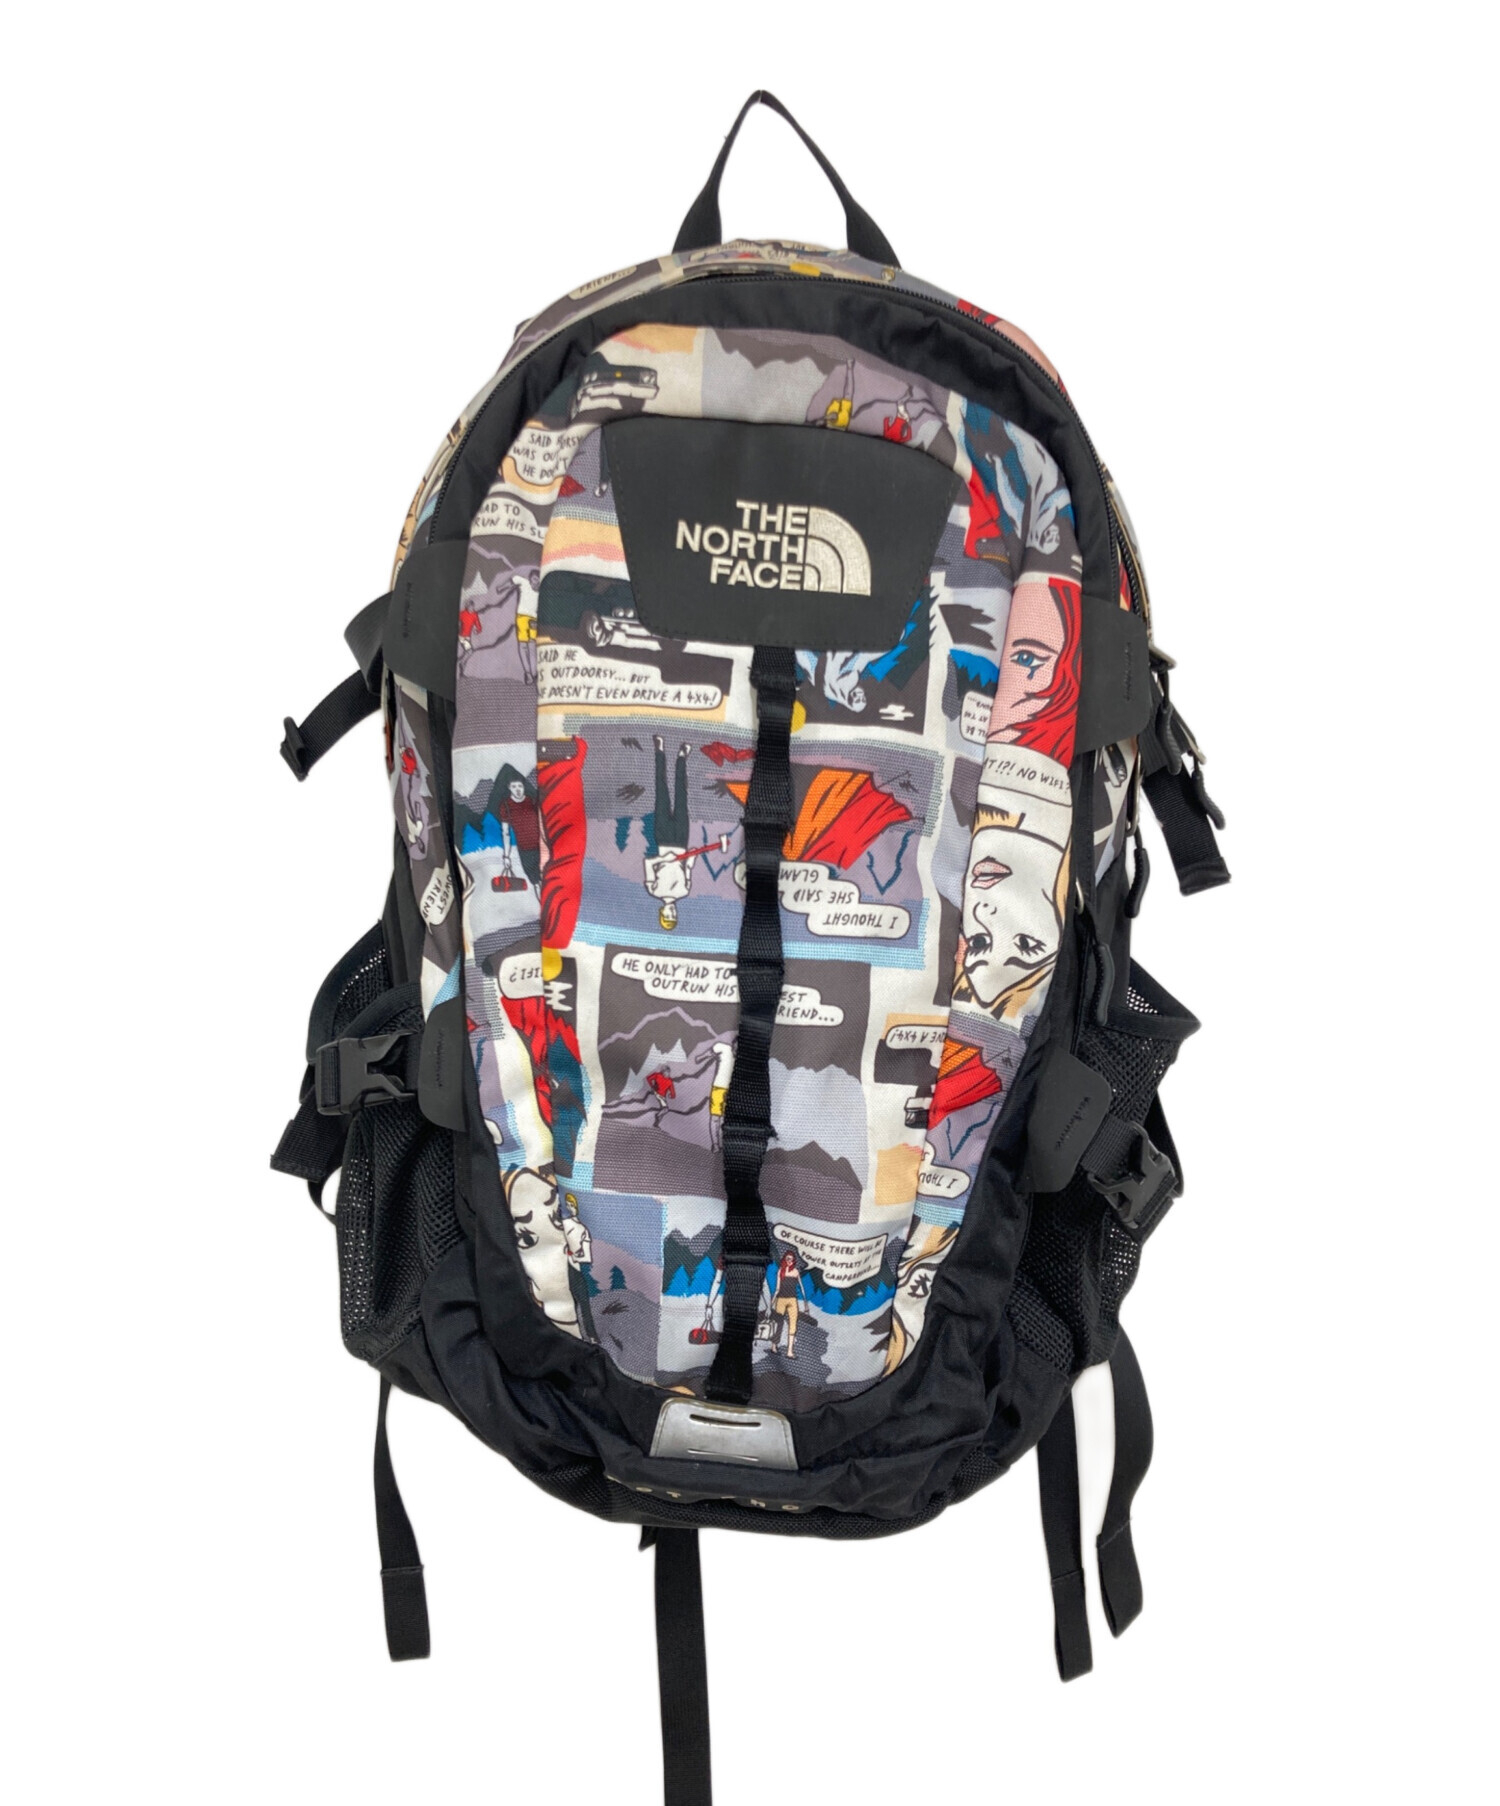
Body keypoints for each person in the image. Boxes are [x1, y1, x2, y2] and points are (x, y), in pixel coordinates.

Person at [643, 736, 696, 930]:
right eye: (674, 916)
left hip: (663, 838)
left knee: (662, 792)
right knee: (682, 796)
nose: (672, 912)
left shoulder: (654, 890)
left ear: (662, 912)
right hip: (681, 840)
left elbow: (648, 863)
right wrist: (691, 858)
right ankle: (682, 757)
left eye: (668, 916)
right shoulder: (684, 891)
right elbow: (687, 868)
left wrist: (664, 859)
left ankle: (660, 751)